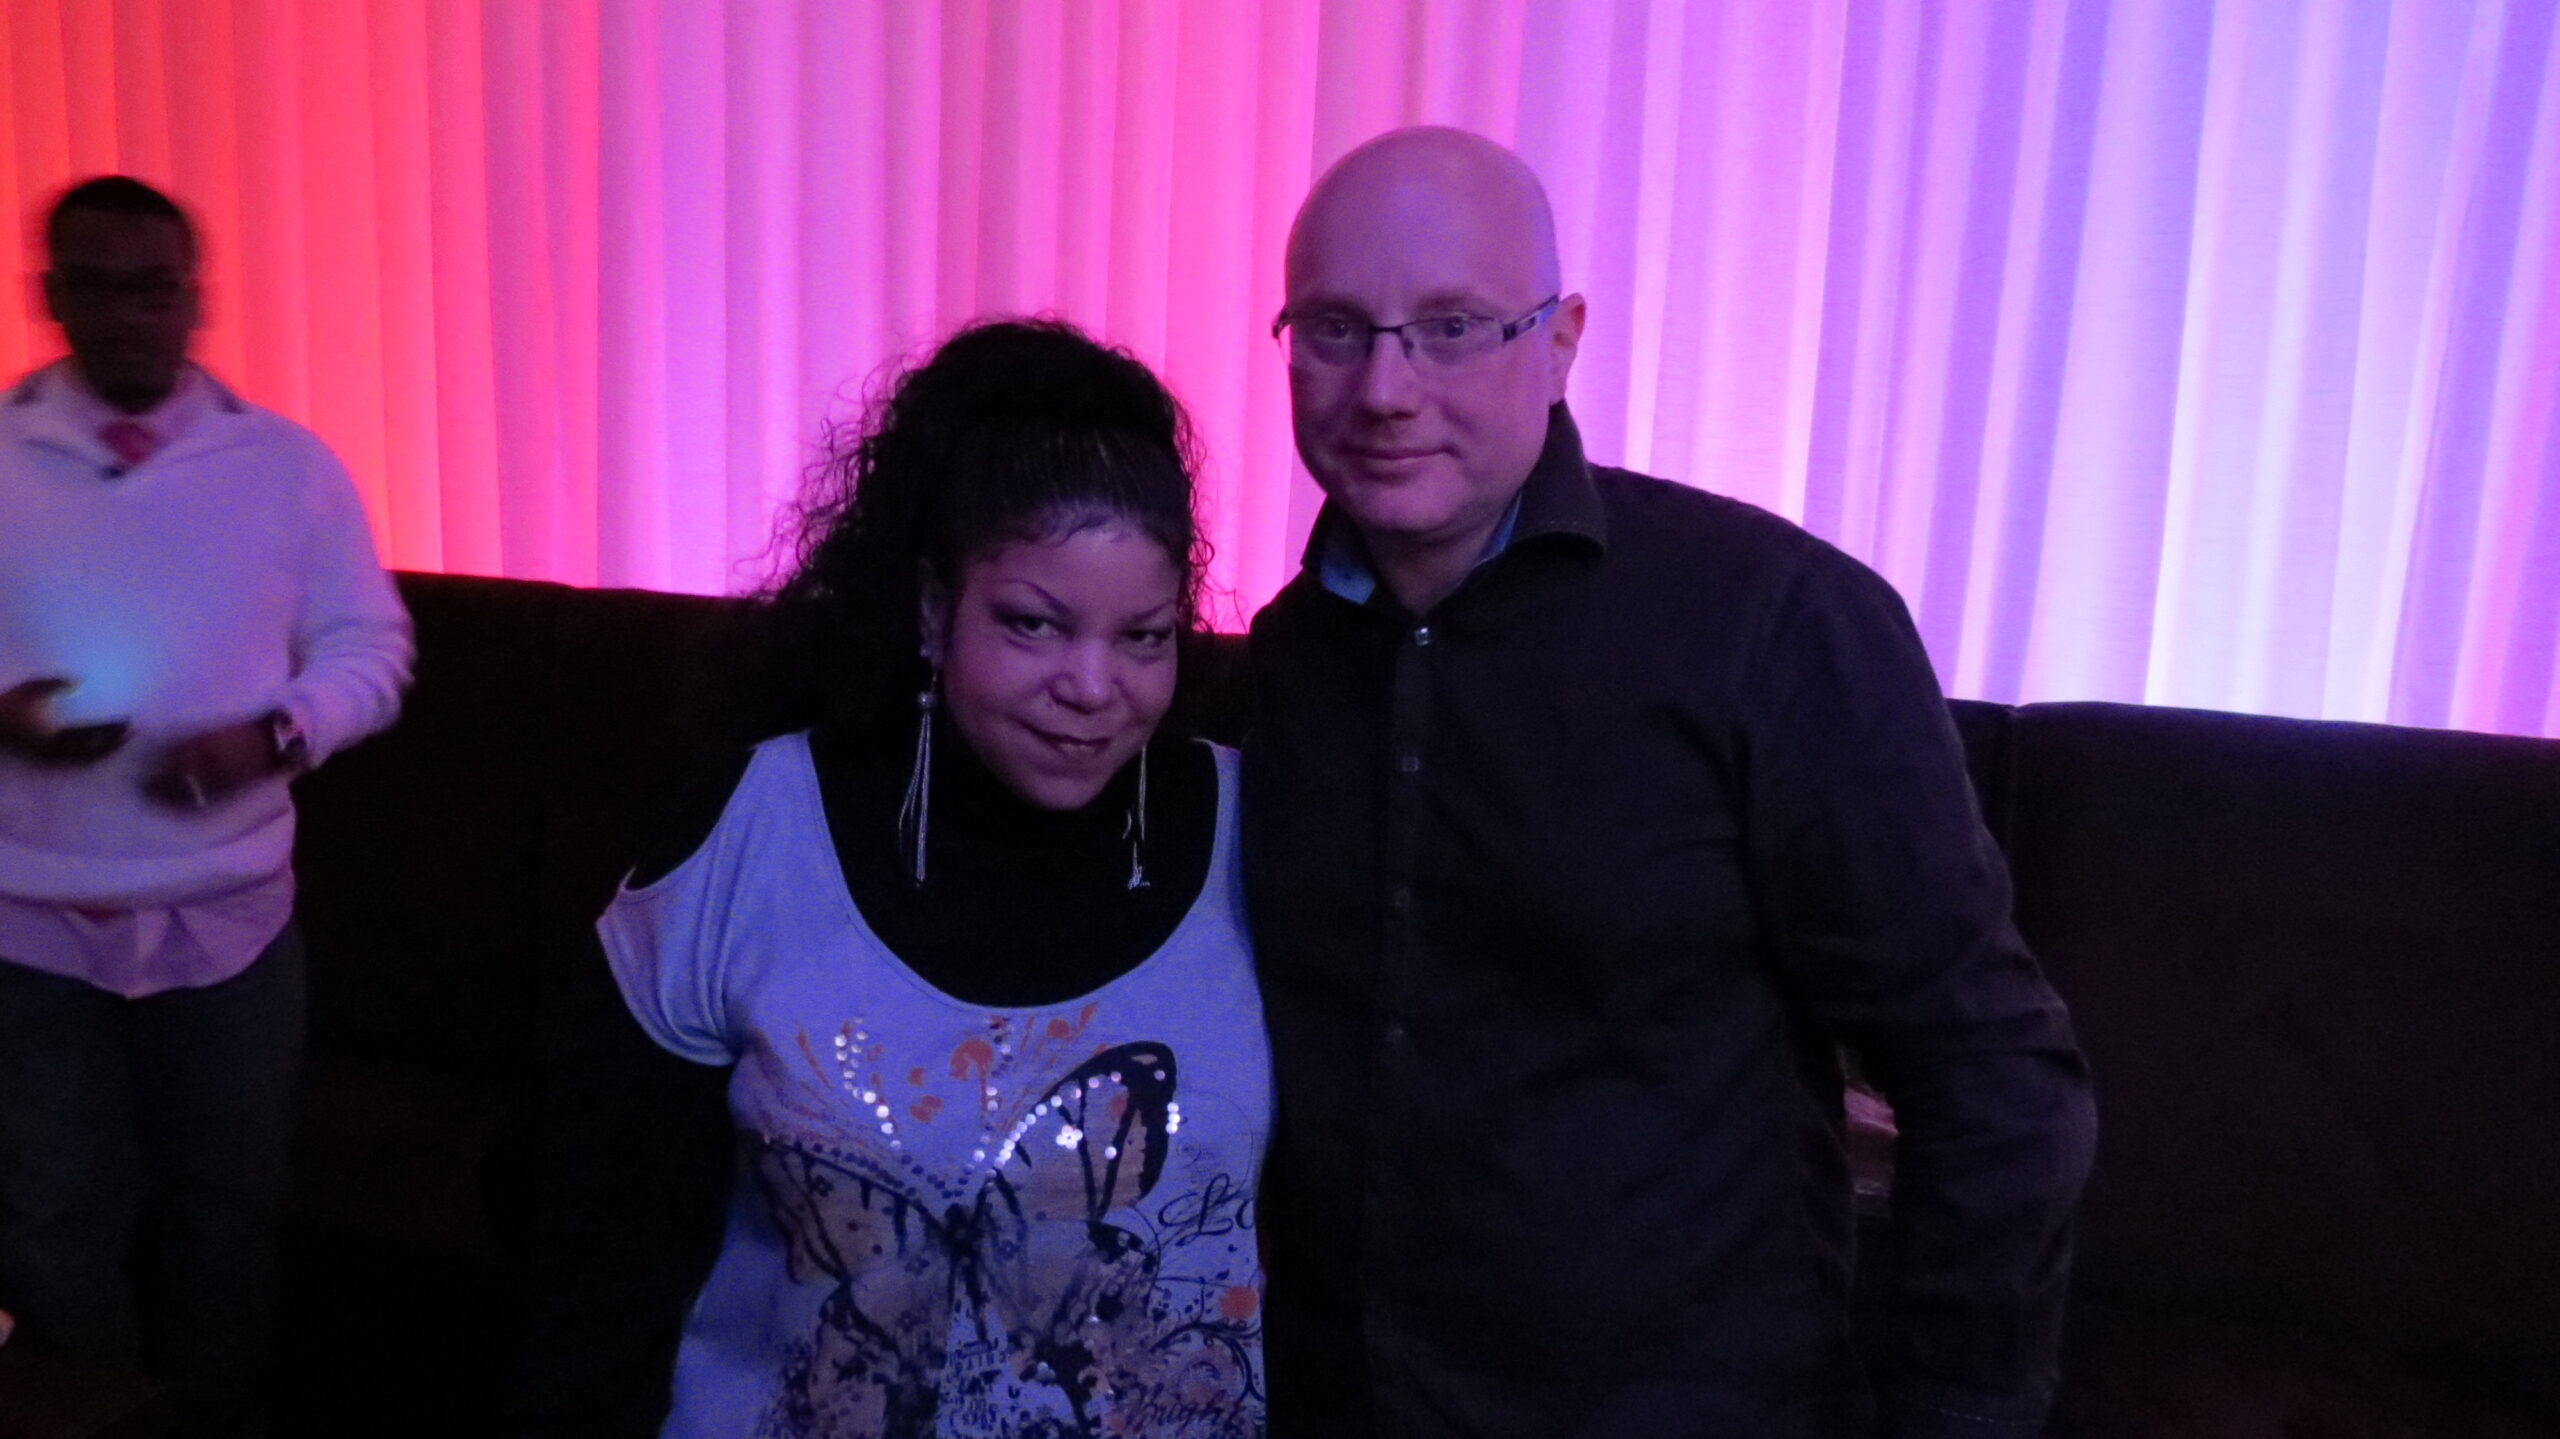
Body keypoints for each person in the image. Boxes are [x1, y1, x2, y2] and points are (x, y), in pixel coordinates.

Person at [1243, 126, 2098, 1437]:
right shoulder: (1285, 661)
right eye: (1336, 329)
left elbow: (1993, 1075)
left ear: (1561, 339)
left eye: (1452, 327)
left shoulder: (1775, 627)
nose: (1385, 388)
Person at [597, 319, 1270, 1439]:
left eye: (1144, 636)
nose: (1092, 685)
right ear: (931, 609)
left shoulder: (1262, 832)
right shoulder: (749, 835)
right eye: (1033, 624)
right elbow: (605, 1263)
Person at [0, 175, 412, 1434]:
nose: (131, 312)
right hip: (27, 923)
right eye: (99, 285)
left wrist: (273, 735)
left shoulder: (285, 467)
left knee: (229, 1212)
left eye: (156, 286)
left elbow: (371, 646)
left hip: (229, 916)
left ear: (196, 297)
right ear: (52, 295)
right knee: (51, 1219)